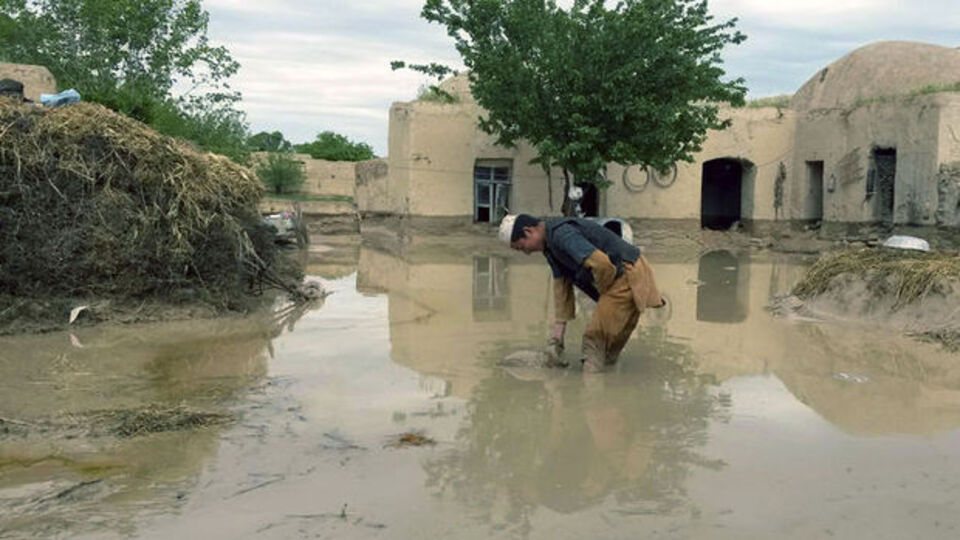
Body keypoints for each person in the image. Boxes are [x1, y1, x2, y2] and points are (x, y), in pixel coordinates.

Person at [499, 214, 665, 372]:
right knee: (606, 352)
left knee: (593, 343)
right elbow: (562, 291)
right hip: (626, 273)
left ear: (529, 232)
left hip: (627, 273)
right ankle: (610, 390)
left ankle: (589, 396)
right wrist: (556, 341)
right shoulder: (550, 249)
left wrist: (604, 295)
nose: (526, 253)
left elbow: (602, 265)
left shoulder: (561, 234)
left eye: (522, 247)